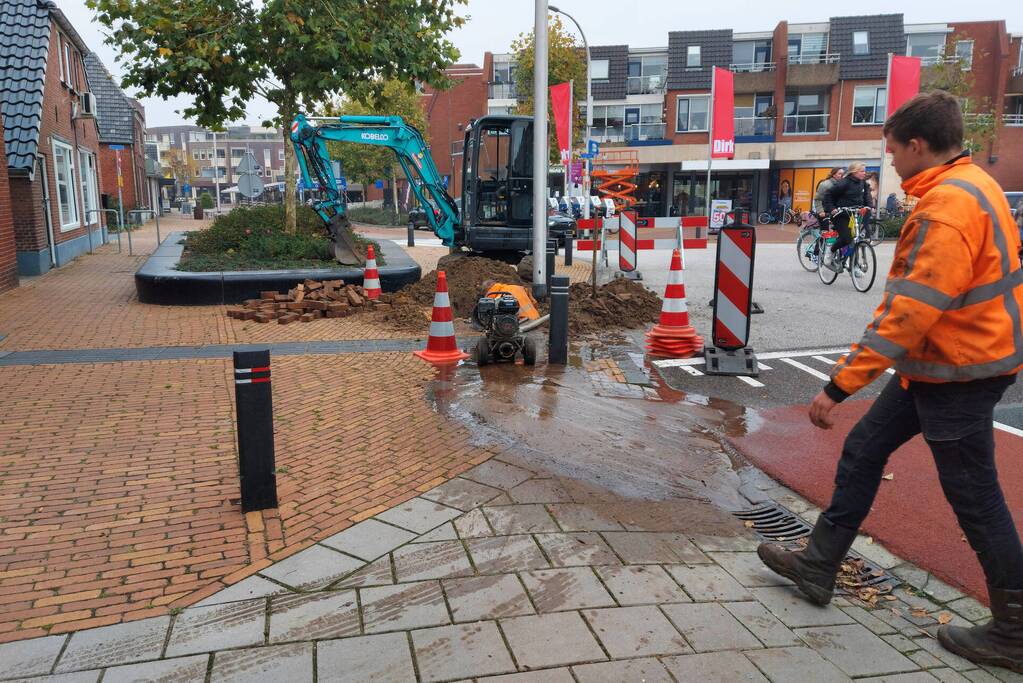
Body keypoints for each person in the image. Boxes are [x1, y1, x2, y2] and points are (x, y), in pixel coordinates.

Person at [757, 91, 1023, 673]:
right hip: (943, 363)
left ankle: (1015, 630)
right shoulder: (977, 185)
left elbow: (909, 313)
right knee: (865, 447)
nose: (893, 162)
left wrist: (838, 386)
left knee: (975, 498)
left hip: (957, 372)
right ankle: (817, 566)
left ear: (918, 145)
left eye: (894, 150)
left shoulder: (945, 209)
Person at [821, 161, 872, 267]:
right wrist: (832, 209)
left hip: (854, 214)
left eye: (864, 171)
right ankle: (831, 251)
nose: (864, 173)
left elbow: (867, 197)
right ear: (854, 172)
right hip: (840, 215)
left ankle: (854, 267)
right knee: (847, 238)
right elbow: (828, 195)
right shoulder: (844, 183)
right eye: (862, 171)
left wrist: (869, 206)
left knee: (856, 239)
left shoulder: (864, 183)